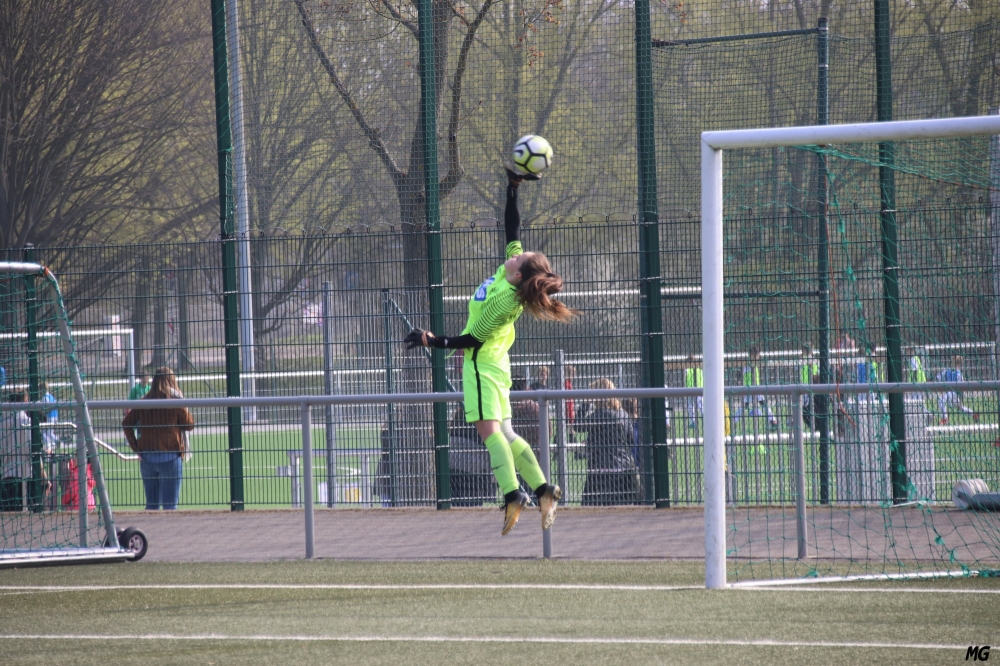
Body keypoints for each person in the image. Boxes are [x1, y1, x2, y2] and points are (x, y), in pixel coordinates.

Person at [404, 167, 577, 535]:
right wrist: (513, 188)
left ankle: (513, 494)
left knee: (490, 432)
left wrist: (431, 340)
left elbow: (471, 340)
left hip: (482, 365)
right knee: (508, 434)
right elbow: (512, 229)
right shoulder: (509, 274)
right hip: (497, 365)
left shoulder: (503, 300)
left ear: (519, 274)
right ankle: (544, 490)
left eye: (520, 257)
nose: (516, 253)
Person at [122, 367, 194, 510]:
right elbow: (189, 425)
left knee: (151, 505)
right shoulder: (175, 401)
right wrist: (183, 403)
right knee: (170, 506)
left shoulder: (143, 402)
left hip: (147, 457)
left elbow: (126, 423)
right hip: (171, 457)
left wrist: (136, 447)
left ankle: (150, 525)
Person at [576, 379, 639, 505]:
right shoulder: (623, 414)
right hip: (623, 469)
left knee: (591, 507)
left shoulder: (598, 414)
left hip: (600, 471)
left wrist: (585, 404)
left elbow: (577, 426)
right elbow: (631, 440)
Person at [1, 392, 49, 511]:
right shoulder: (27, 422)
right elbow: (33, 453)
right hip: (25, 479)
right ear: (26, 401)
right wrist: (45, 477)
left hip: (5, 479)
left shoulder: (1, 423)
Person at [447, 407, 492, 507]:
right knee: (471, 500)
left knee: (455, 498)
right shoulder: (481, 418)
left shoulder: (459, 417)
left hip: (453, 463)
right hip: (473, 468)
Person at [738, 347, 777, 431]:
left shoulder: (752, 364)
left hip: (755, 388)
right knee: (746, 406)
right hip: (749, 388)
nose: (758, 357)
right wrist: (740, 381)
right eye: (757, 355)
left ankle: (773, 421)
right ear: (752, 355)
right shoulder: (747, 364)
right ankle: (773, 421)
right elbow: (741, 375)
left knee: (762, 404)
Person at [936, 355, 978, 425]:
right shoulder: (956, 373)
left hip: (951, 393)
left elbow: (938, 378)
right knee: (959, 408)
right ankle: (973, 414)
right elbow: (961, 386)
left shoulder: (949, 372)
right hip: (953, 394)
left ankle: (945, 418)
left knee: (941, 401)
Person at [684, 354, 703, 429]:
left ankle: (693, 421)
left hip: (691, 389)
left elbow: (684, 377)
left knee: (691, 406)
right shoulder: (699, 369)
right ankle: (703, 418)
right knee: (700, 405)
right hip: (699, 389)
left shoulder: (687, 369)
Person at [40, 381, 59, 453]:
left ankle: (54, 442)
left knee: (44, 432)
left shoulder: (44, 398)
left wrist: (41, 411)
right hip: (55, 416)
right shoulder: (51, 396)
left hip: (50, 417)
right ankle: (52, 445)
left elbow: (46, 409)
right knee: (48, 432)